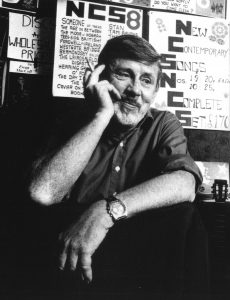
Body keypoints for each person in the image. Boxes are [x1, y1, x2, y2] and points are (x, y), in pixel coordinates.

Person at [27, 34, 204, 295]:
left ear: (155, 92)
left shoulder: (163, 124)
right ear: (101, 78)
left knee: (189, 219)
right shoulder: (70, 122)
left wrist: (106, 211)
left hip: (136, 260)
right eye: (124, 74)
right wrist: (101, 115)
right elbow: (42, 193)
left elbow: (185, 183)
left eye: (146, 80)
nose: (135, 90)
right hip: (73, 255)